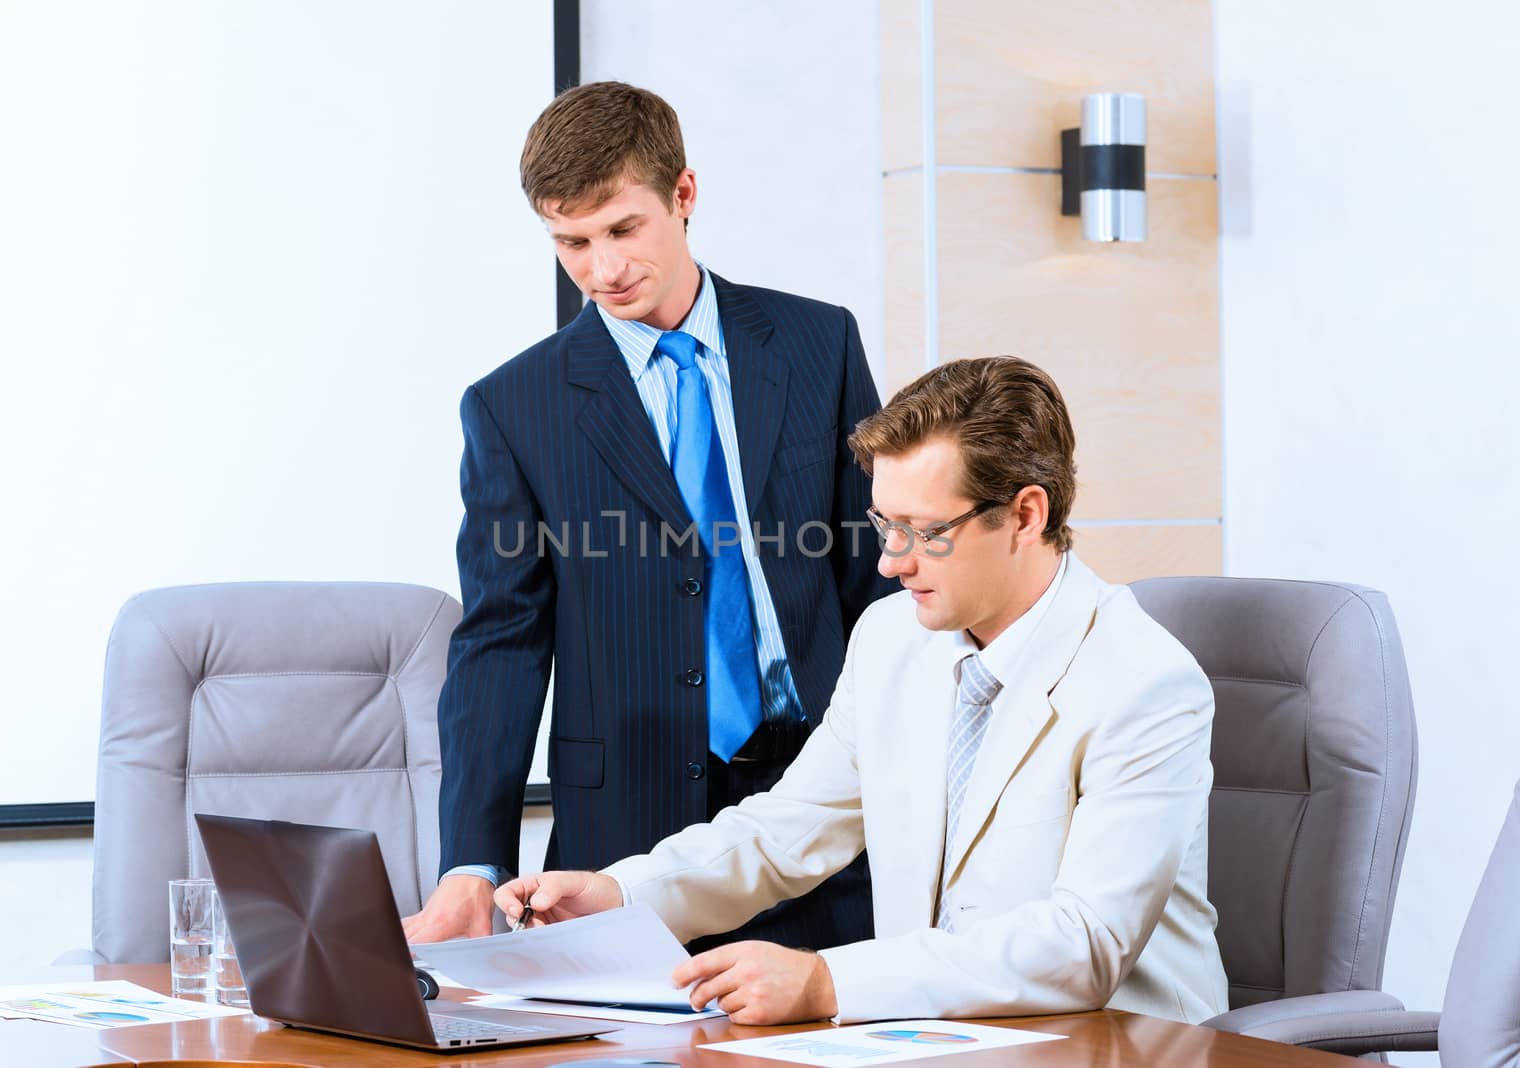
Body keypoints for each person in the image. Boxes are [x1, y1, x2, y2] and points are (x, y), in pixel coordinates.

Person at [492, 356, 1231, 1026]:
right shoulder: (891, 640)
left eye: (922, 531)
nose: (888, 563)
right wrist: (621, 898)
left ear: (1026, 515)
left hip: (1117, 1042)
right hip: (936, 1039)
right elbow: (788, 830)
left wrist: (826, 985)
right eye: (884, 525)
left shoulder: (1142, 682)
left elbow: (1084, 943)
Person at [400, 81, 891, 950]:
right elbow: (501, 641)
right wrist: (470, 867)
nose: (603, 269)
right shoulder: (516, 406)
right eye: (572, 243)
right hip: (619, 837)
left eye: (623, 230)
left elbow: (876, 584)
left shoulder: (820, 343)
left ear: (684, 196)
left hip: (819, 806)